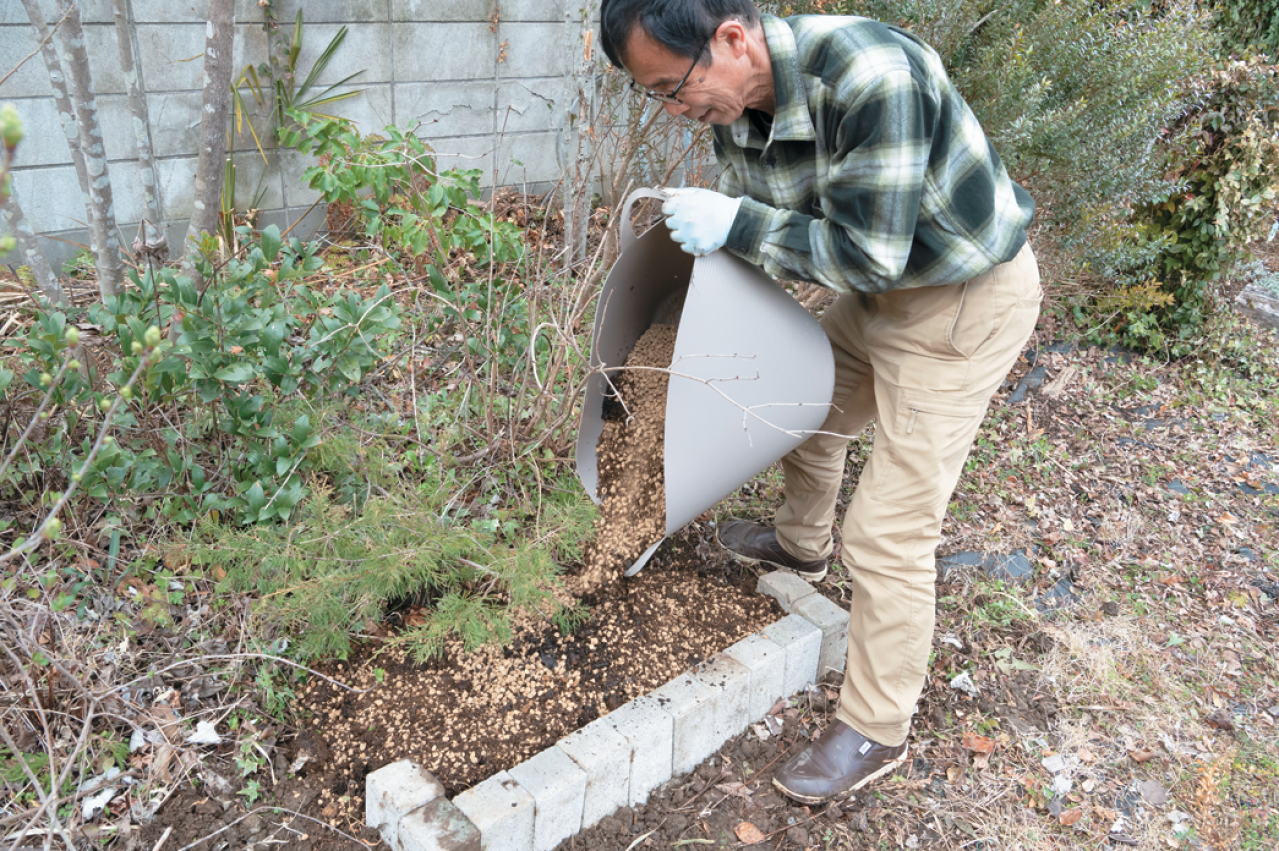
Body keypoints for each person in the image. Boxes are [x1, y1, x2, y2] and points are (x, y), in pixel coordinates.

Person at [599, 0, 1041, 804]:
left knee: (888, 531)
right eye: (654, 96)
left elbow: (870, 254)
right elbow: (759, 241)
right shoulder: (732, 101)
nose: (673, 108)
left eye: (672, 86)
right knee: (801, 405)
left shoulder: (871, 77)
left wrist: (737, 221)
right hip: (879, 298)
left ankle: (875, 725)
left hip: (958, 303)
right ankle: (801, 544)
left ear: (731, 39)